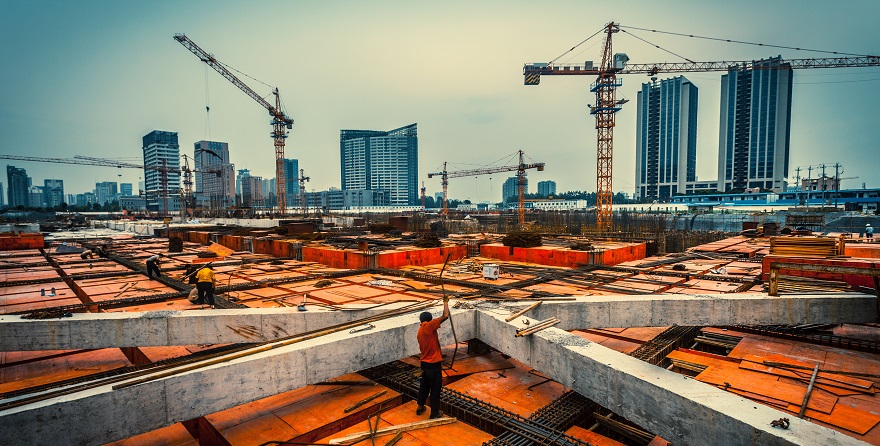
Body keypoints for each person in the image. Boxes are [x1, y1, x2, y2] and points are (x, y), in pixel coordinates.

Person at [415, 297, 450, 419]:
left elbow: (432, 343)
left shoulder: (420, 331)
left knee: (424, 385)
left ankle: (420, 407)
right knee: (435, 389)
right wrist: (445, 302)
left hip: (425, 363)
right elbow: (445, 316)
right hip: (433, 365)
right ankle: (434, 413)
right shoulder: (428, 327)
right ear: (429, 321)